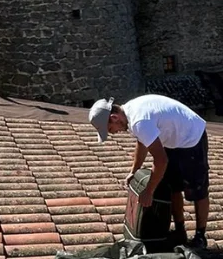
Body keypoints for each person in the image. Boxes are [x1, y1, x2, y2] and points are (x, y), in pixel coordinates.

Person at [89, 93, 209, 249]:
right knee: (172, 187)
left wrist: (149, 191)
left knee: (197, 190)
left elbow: (161, 160)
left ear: (114, 117)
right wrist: (134, 170)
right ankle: (180, 231)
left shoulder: (139, 120)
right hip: (173, 139)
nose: (113, 133)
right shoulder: (131, 113)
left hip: (192, 136)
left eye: (110, 129)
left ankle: (200, 236)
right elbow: (142, 142)